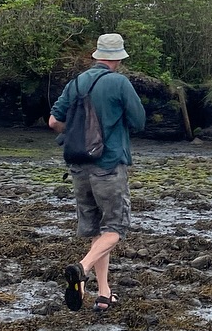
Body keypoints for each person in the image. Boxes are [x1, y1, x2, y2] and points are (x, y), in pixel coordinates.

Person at [48, 32, 146, 311]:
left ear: (97, 55)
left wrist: (80, 131)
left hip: (78, 166)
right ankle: (83, 267)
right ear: (119, 58)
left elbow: (54, 121)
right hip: (109, 164)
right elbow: (139, 121)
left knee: (97, 232)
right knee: (115, 228)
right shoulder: (119, 82)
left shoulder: (76, 82)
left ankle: (103, 293)